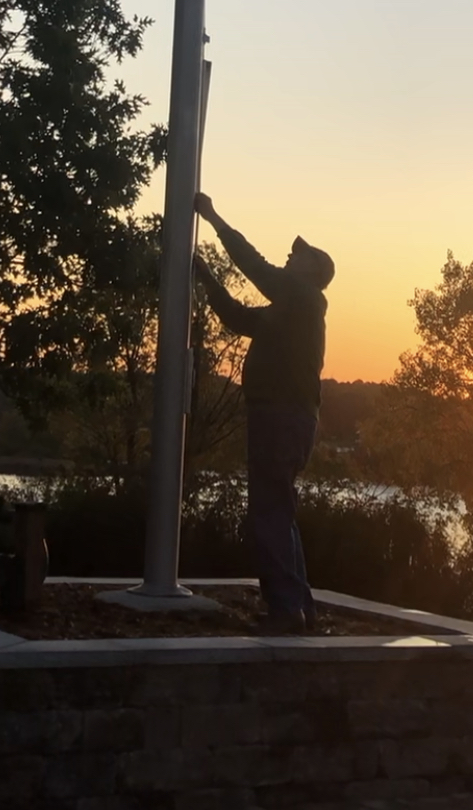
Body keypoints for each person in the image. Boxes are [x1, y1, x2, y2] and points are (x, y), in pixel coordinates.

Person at [192, 191, 334, 635]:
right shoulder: (289, 310)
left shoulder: (303, 297)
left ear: (312, 271)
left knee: (269, 514)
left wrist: (213, 218)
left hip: (280, 418)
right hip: (289, 418)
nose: (289, 257)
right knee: (279, 511)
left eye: (298, 255)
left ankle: (286, 611)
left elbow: (253, 265)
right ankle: (299, 608)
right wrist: (208, 278)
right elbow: (237, 318)